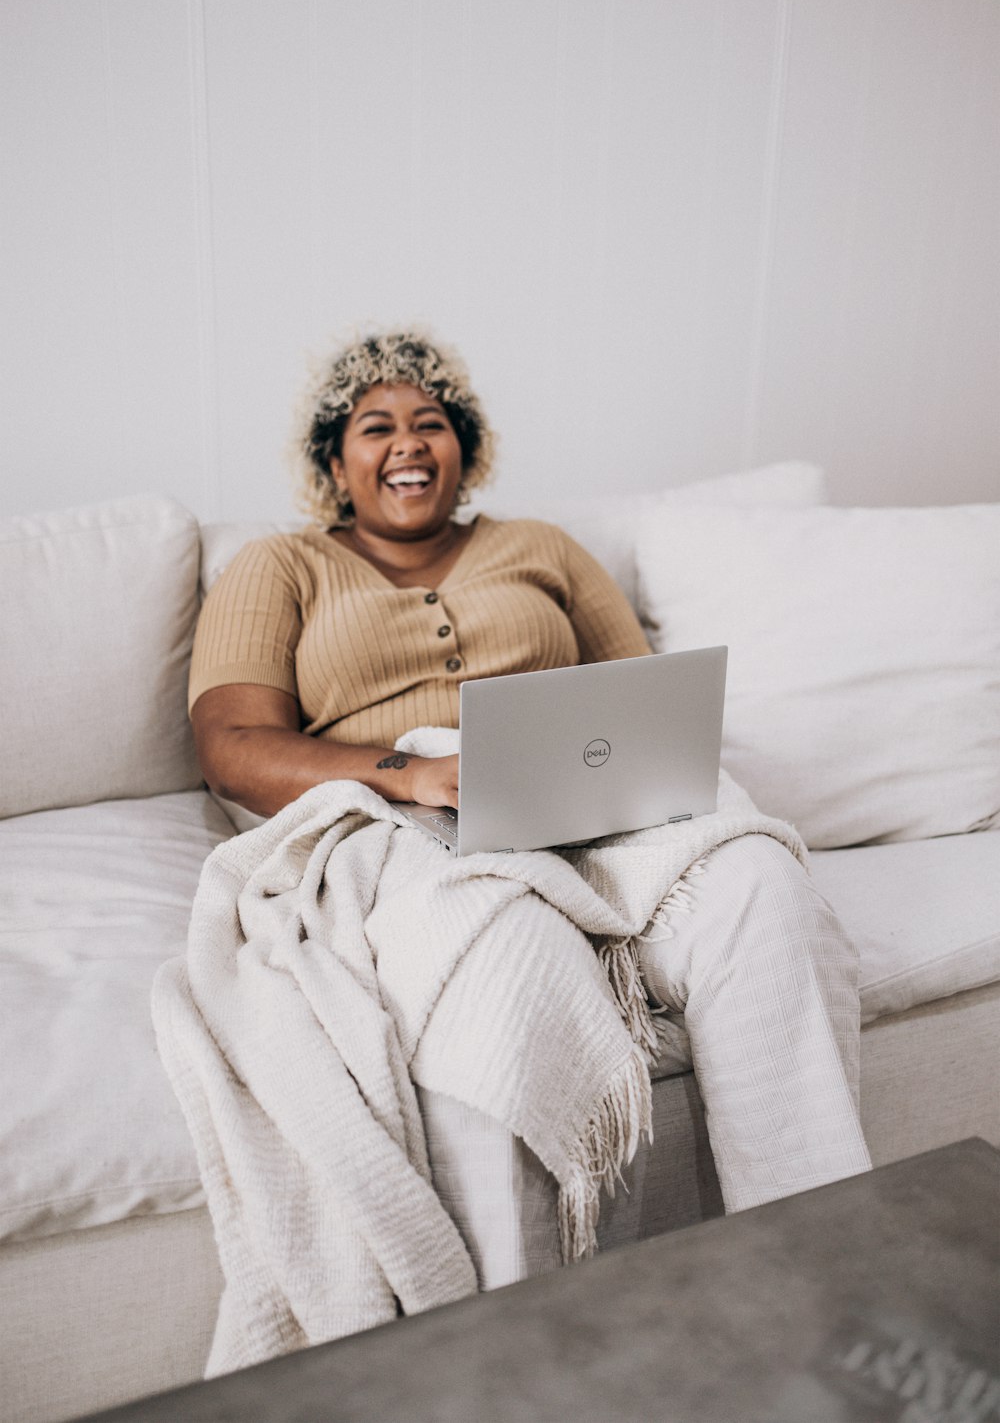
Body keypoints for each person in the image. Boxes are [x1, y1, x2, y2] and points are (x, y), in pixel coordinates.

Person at [189, 329, 871, 1213]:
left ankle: (819, 1260)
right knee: (513, 954)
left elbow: (645, 696)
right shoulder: (279, 564)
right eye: (374, 426)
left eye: (430, 421)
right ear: (332, 458)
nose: (406, 443)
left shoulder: (542, 546)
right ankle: (544, 1327)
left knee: (762, 890)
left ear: (464, 448)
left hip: (590, 790)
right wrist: (410, 771)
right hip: (399, 811)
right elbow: (233, 744)